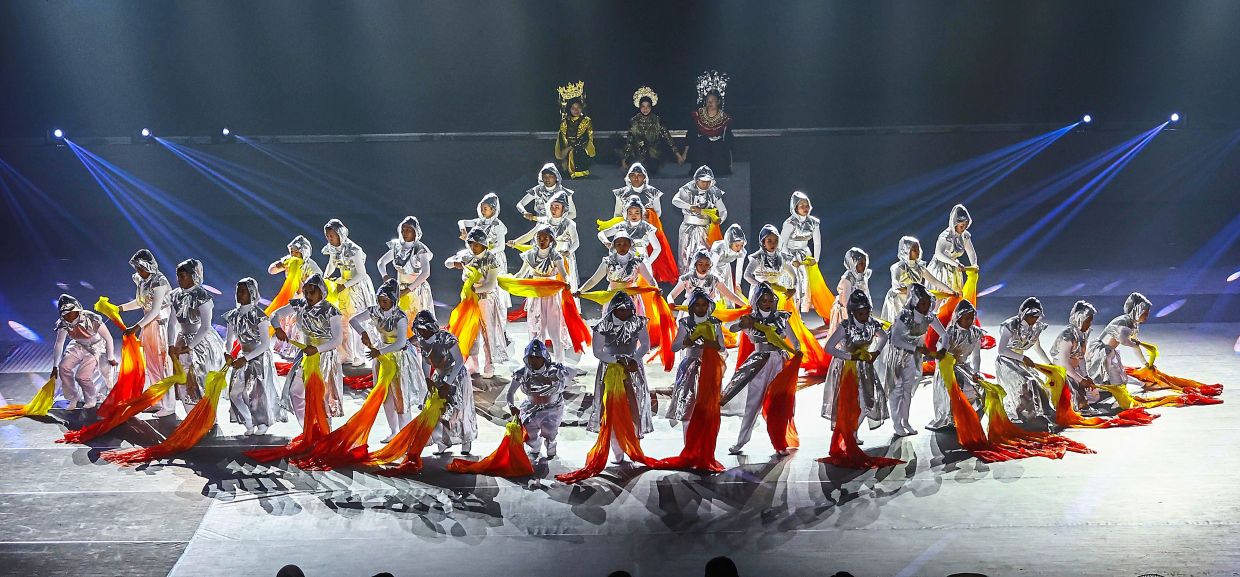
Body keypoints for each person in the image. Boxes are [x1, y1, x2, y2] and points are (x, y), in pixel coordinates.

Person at [722, 282, 801, 455]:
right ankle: (741, 441)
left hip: (779, 362)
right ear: (758, 301)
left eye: (770, 300)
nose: (767, 303)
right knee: (753, 404)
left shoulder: (781, 317)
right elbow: (731, 328)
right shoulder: (752, 318)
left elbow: (794, 340)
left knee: (779, 404)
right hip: (759, 363)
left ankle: (779, 442)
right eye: (763, 300)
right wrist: (743, 324)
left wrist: (797, 351)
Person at [352, 279, 427, 442]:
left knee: (401, 397)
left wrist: (379, 351)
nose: (381, 304)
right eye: (379, 300)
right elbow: (354, 320)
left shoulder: (400, 317)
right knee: (386, 396)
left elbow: (400, 343)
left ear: (393, 300)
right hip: (382, 356)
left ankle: (404, 435)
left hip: (399, 357)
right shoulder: (375, 311)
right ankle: (393, 431)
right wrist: (363, 332)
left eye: (384, 301)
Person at [589, 291, 654, 464]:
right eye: (621, 309)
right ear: (613, 310)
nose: (624, 312)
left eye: (627, 309)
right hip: (610, 369)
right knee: (612, 409)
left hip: (632, 367)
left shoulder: (638, 322)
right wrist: (617, 360)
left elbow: (645, 345)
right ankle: (617, 451)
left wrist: (633, 359)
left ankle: (633, 447)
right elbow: (597, 352)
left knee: (634, 406)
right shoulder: (603, 325)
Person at [271, 274, 345, 424]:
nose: (308, 295)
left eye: (312, 292)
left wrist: (317, 350)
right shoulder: (300, 304)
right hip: (305, 353)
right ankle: (308, 429)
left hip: (324, 356)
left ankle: (324, 433)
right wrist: (277, 328)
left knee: (323, 397)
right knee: (295, 391)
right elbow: (275, 314)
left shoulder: (331, 311)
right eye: (306, 292)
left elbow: (337, 339)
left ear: (321, 292)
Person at [821, 290, 890, 436]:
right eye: (861, 313)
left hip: (865, 366)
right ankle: (849, 433)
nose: (864, 316)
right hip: (847, 367)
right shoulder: (845, 326)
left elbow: (884, 337)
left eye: (866, 312)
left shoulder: (872, 324)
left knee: (867, 403)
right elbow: (829, 348)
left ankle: (852, 431)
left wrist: (876, 353)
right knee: (850, 401)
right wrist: (849, 357)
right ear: (853, 313)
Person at [881, 283, 945, 436]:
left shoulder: (928, 316)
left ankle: (905, 420)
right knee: (897, 389)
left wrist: (943, 348)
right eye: (923, 303)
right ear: (915, 301)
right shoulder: (905, 316)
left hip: (914, 354)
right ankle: (897, 423)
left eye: (928, 302)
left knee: (908, 389)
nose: (926, 306)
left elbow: (945, 334)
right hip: (897, 353)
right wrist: (917, 349)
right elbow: (896, 340)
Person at [446, 228, 510, 378]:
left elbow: (491, 284)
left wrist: (474, 288)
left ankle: (490, 363)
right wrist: (456, 263)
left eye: (476, 245)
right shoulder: (466, 255)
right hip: (469, 300)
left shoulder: (491, 259)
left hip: (485, 299)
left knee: (487, 332)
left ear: (483, 245)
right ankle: (473, 364)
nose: (473, 247)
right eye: (471, 244)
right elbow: (447, 263)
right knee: (471, 331)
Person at [223, 278, 283, 435]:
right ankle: (248, 420)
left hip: (258, 358)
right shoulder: (232, 316)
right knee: (235, 393)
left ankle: (262, 421)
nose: (239, 294)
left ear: (252, 293)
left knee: (256, 393)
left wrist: (245, 359)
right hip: (242, 357)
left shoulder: (259, 316)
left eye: (243, 291)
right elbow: (229, 340)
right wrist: (227, 353)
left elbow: (264, 344)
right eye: (238, 291)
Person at [119, 249, 175, 416]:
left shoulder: (159, 281)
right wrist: (121, 308)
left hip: (161, 325)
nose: (138, 272)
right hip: (149, 326)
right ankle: (156, 400)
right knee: (152, 366)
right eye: (137, 269)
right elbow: (141, 303)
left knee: (163, 366)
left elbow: (156, 309)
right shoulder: (142, 281)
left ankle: (169, 405)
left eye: (141, 268)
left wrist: (136, 327)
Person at [412, 311, 477, 456]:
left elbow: (459, 361)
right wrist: (428, 379)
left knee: (459, 409)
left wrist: (448, 384)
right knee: (437, 409)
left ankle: (466, 440)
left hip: (456, 375)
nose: (422, 333)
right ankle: (442, 441)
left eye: (424, 329)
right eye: (419, 329)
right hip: (439, 375)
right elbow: (426, 362)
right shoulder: (422, 341)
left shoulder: (447, 338)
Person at [166, 259, 226, 413]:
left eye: (183, 276)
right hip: (183, 338)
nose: (179, 280)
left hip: (201, 341)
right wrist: (171, 345)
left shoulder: (202, 297)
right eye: (178, 276)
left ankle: (208, 414)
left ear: (194, 276)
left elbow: (205, 326)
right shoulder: (175, 295)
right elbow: (172, 323)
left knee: (201, 378)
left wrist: (190, 347)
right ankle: (190, 414)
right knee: (183, 377)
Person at [510, 226, 572, 364]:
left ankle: (559, 363)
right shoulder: (530, 255)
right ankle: (538, 363)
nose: (541, 240)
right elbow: (522, 273)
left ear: (551, 240)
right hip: (536, 295)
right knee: (537, 331)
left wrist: (567, 283)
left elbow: (564, 274)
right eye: (539, 238)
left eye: (545, 238)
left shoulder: (555, 256)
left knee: (555, 332)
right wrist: (510, 281)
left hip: (551, 296)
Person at [669, 288, 726, 434]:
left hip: (710, 367)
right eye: (697, 305)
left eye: (704, 305)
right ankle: (688, 444)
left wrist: (714, 345)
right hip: (690, 367)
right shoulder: (685, 323)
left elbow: (722, 348)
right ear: (692, 306)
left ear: (709, 306)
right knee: (688, 404)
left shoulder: (715, 323)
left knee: (707, 406)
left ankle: (703, 444)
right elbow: (674, 347)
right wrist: (685, 342)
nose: (701, 308)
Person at [505, 339, 571, 461]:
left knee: (549, 431)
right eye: (531, 357)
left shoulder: (555, 370)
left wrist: (554, 379)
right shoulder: (521, 372)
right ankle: (535, 446)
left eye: (537, 357)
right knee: (529, 434)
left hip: (552, 408)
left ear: (544, 357)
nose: (534, 361)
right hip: (530, 408)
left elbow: (571, 373)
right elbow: (510, 392)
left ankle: (551, 443)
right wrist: (511, 406)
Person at [322, 219, 376, 366]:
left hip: (356, 286)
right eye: (327, 236)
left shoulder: (354, 250)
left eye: (331, 235)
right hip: (343, 286)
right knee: (343, 321)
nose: (329, 239)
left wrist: (346, 285)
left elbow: (361, 274)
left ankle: (361, 354)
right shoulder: (333, 248)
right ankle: (346, 354)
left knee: (356, 320)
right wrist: (325, 279)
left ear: (340, 234)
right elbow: (331, 264)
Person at [926, 300, 986, 431]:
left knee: (982, 387)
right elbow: (941, 358)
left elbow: (976, 356)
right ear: (958, 318)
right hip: (947, 370)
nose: (970, 321)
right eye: (967, 318)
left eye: (972, 318)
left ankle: (971, 416)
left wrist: (976, 372)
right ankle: (952, 418)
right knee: (957, 385)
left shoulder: (976, 333)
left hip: (965, 367)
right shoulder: (949, 334)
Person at [51, 294, 116, 410]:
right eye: (66, 315)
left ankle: (91, 399)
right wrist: (55, 366)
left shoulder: (92, 318)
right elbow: (59, 343)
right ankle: (72, 397)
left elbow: (108, 338)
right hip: (77, 345)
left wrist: (110, 357)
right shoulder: (63, 323)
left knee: (82, 376)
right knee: (64, 367)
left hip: (95, 347)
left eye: (72, 313)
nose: (70, 317)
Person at [995, 297, 1054, 423]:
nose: (1035, 320)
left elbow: (1037, 347)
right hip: (1006, 361)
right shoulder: (1010, 325)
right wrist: (1023, 358)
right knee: (1028, 382)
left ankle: (1042, 412)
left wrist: (1049, 364)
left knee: (1039, 383)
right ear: (1024, 314)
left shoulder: (1036, 327)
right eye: (1032, 317)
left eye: (1036, 317)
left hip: (1021, 362)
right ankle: (1024, 414)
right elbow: (1001, 350)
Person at [267, 236, 325, 358]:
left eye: (297, 252)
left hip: (305, 297)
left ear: (304, 252)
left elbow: (318, 281)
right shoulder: (289, 261)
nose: (293, 254)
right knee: (284, 319)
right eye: (292, 251)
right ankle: (283, 348)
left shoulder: (310, 265)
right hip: (291, 296)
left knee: (297, 323)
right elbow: (271, 271)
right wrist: (278, 265)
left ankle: (297, 349)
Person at [512, 191, 580, 291]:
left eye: (557, 206)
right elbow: (531, 235)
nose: (554, 209)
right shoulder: (545, 221)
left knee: (562, 286)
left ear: (563, 208)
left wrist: (568, 251)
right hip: (545, 256)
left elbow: (576, 242)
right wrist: (515, 242)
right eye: (552, 206)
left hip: (561, 257)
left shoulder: (569, 224)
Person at [880, 236, 956, 323]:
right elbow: (896, 287)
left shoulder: (920, 267)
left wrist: (951, 291)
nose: (917, 252)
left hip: (914, 298)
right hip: (899, 300)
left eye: (918, 249)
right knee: (900, 324)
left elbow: (934, 281)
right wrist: (916, 292)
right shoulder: (898, 267)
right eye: (914, 249)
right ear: (906, 250)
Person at [577, 232, 658, 313]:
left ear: (630, 245)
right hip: (612, 297)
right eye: (619, 244)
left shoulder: (637, 262)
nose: (622, 246)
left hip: (632, 298)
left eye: (625, 244)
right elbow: (593, 280)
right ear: (614, 246)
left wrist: (656, 289)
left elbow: (650, 279)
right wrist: (580, 290)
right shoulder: (608, 262)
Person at [1086, 292, 1151, 392]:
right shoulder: (1123, 322)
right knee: (1115, 383)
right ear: (1137, 311)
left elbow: (1134, 345)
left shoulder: (1133, 324)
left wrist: (1145, 363)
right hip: (1103, 353)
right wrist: (1134, 345)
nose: (1147, 315)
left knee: (1120, 379)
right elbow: (1125, 341)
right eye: (1145, 313)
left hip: (1110, 352)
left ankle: (1141, 384)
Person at [376, 216, 434, 325]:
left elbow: (426, 272)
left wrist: (408, 289)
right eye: (403, 230)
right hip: (399, 290)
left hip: (416, 290)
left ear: (415, 232)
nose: (405, 233)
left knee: (415, 321)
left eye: (408, 230)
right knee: (398, 321)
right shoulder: (397, 246)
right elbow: (381, 262)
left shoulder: (420, 249)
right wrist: (385, 277)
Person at [458, 192, 511, 310]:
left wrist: (486, 254)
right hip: (480, 256)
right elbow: (462, 221)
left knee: (494, 285)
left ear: (493, 209)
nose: (483, 211)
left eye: (485, 209)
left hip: (494, 257)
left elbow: (501, 246)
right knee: (479, 281)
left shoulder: (498, 225)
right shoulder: (479, 222)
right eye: (481, 208)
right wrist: (463, 230)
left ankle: (497, 315)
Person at [672, 165, 728, 272]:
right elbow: (675, 200)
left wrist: (720, 219)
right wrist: (691, 207)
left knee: (706, 256)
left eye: (708, 182)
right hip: (689, 229)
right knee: (687, 256)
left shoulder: (714, 191)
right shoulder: (688, 189)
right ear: (696, 180)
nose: (706, 184)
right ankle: (687, 281)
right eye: (703, 182)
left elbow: (723, 210)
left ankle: (706, 280)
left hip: (706, 230)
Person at [619, 86, 684, 175]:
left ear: (651, 107)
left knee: (651, 169)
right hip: (636, 153)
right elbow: (629, 141)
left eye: (648, 106)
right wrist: (623, 160)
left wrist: (678, 155)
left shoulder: (657, 120)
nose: (645, 109)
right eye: (643, 106)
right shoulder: (634, 121)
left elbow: (668, 138)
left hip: (653, 153)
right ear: (639, 106)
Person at [1051, 300, 1101, 413]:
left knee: (1094, 396)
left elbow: (1081, 357)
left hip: (1075, 371)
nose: (1089, 325)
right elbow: (1063, 363)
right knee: (1079, 403)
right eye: (1087, 322)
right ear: (1079, 319)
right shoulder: (1067, 336)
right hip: (1064, 373)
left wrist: (1085, 376)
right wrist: (1080, 380)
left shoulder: (1082, 334)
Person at [685, 70, 734, 176]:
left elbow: (728, 141)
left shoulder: (724, 118)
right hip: (702, 149)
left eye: (713, 100)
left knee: (719, 153)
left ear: (719, 102)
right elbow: (690, 136)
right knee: (700, 144)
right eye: (708, 100)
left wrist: (730, 161)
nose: (710, 103)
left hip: (717, 150)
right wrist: (684, 154)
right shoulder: (698, 115)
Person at [780, 191, 822, 312]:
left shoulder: (813, 222)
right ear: (795, 207)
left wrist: (816, 259)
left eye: (807, 205)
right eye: (801, 206)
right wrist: (791, 260)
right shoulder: (790, 223)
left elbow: (817, 242)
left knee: (805, 284)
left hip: (804, 255)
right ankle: (792, 313)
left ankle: (799, 314)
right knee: (794, 283)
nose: (805, 208)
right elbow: (782, 243)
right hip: (790, 255)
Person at [928, 204, 980, 295]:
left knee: (956, 295)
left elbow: (971, 252)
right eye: (961, 226)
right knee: (942, 294)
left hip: (954, 269)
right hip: (941, 268)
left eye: (966, 226)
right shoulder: (946, 236)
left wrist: (974, 264)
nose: (964, 229)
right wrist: (956, 264)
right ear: (955, 223)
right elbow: (939, 254)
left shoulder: (964, 235)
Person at [666, 249, 744, 307]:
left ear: (710, 265)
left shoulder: (714, 279)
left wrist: (745, 306)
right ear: (695, 264)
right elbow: (671, 295)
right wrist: (671, 302)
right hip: (690, 311)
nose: (704, 267)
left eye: (707, 264)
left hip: (708, 312)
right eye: (700, 264)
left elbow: (730, 295)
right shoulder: (687, 278)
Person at [599, 196, 662, 261]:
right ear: (626, 214)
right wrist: (606, 242)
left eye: (637, 212)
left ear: (641, 213)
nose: (633, 215)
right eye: (630, 213)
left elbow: (657, 248)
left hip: (641, 262)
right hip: (622, 262)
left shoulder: (647, 227)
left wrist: (648, 262)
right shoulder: (621, 226)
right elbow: (601, 233)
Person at [554, 81, 595, 179]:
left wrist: (574, 146)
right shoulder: (564, 122)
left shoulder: (586, 121)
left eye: (578, 108)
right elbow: (562, 137)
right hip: (567, 149)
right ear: (569, 109)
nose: (576, 110)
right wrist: (566, 149)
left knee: (578, 154)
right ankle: (565, 168)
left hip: (580, 149)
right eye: (573, 108)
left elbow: (587, 137)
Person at [743, 224, 796, 294]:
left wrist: (793, 288)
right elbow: (747, 275)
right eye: (769, 241)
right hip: (759, 293)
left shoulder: (782, 258)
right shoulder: (758, 257)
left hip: (777, 292)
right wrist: (760, 285)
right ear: (763, 242)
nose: (773, 244)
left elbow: (793, 275)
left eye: (776, 240)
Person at [829, 247, 872, 334]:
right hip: (847, 310)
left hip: (860, 308)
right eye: (860, 263)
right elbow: (846, 302)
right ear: (852, 264)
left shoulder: (863, 276)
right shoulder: (847, 280)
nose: (864, 266)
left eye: (865, 263)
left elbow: (866, 292)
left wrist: (868, 306)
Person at [710, 224, 747, 299]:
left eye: (741, 245)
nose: (739, 248)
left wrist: (737, 284)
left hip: (726, 268)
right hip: (714, 268)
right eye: (737, 245)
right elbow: (711, 267)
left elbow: (739, 268)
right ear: (730, 242)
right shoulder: (719, 248)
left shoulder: (741, 252)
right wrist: (712, 287)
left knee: (728, 292)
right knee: (717, 294)